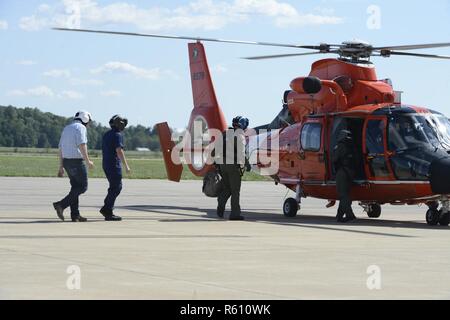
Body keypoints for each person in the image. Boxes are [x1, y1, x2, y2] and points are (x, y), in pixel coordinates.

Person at [53, 110, 95, 222]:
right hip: (77, 162)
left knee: (75, 188)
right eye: (89, 121)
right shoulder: (81, 128)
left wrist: (61, 166)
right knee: (82, 187)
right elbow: (82, 144)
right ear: (85, 119)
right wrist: (88, 161)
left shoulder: (67, 128)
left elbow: (61, 148)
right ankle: (61, 205)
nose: (89, 124)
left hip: (67, 162)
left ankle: (75, 215)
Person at [215, 116, 251, 220]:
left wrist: (216, 163)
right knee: (235, 191)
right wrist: (247, 165)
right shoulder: (240, 136)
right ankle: (235, 214)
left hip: (222, 165)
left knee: (227, 188)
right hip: (232, 166)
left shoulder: (225, 133)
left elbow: (214, 151)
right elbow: (241, 154)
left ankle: (220, 204)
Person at [99, 115, 131, 221]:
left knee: (114, 187)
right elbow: (119, 151)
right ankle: (107, 210)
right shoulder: (118, 135)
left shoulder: (107, 134)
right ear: (120, 124)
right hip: (114, 165)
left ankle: (107, 208)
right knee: (116, 187)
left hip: (106, 164)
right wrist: (126, 165)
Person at [332, 130, 357, 223]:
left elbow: (334, 159)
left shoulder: (340, 146)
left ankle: (350, 215)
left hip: (342, 171)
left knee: (342, 194)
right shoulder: (353, 146)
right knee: (345, 194)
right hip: (351, 171)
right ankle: (339, 216)